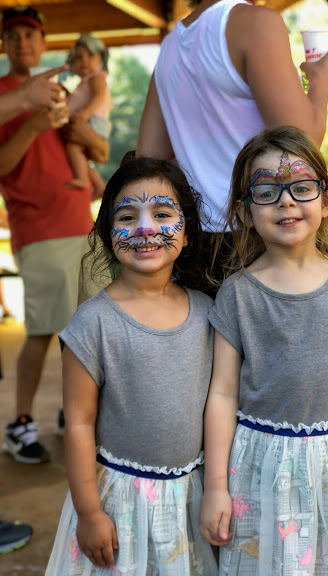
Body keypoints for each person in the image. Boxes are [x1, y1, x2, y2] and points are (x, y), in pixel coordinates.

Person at [200, 126, 328, 574]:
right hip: (259, 468)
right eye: (267, 191)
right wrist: (215, 486)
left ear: (326, 200)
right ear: (244, 211)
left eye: (302, 187)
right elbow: (223, 394)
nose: (286, 201)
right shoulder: (236, 295)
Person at [45, 157, 218, 575]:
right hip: (118, 504)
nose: (144, 228)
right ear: (108, 234)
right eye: (127, 217)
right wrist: (89, 513)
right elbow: (79, 423)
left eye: (162, 214)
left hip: (190, 498)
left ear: (187, 233)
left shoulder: (209, 312)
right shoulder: (93, 322)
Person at [137, 0, 328, 285]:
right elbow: (299, 143)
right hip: (268, 236)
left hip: (199, 242)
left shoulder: (171, 46)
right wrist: (321, 83)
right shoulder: (255, 22)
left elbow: (150, 156)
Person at [0, 5, 109, 464]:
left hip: (81, 223)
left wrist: (82, 133)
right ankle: (20, 423)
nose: (22, 43)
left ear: (44, 44)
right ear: (3, 45)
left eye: (30, 35)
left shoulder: (61, 92)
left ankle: (74, 412)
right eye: (13, 35)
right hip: (38, 228)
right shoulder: (4, 95)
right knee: (44, 329)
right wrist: (32, 124)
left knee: (85, 328)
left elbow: (96, 149)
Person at [66, 34, 112, 197]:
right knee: (81, 157)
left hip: (93, 121)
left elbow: (99, 97)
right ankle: (98, 185)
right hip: (91, 120)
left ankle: (81, 179)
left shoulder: (96, 78)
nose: (84, 60)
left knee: (72, 148)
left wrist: (85, 112)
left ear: (100, 58)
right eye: (79, 57)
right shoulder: (86, 81)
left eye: (90, 55)